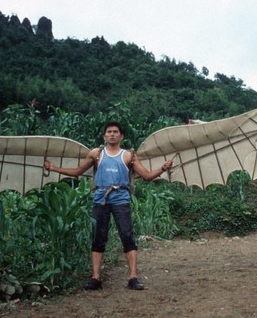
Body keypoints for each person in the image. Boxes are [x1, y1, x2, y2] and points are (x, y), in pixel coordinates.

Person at [44, 121, 173, 290]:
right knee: (99, 238)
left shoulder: (128, 156)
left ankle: (133, 277)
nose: (112, 134)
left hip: (121, 199)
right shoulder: (96, 154)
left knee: (127, 236)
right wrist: (54, 168)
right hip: (100, 199)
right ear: (104, 136)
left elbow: (147, 176)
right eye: (109, 132)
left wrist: (162, 168)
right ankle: (96, 278)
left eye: (115, 132)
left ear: (121, 136)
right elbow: (77, 172)